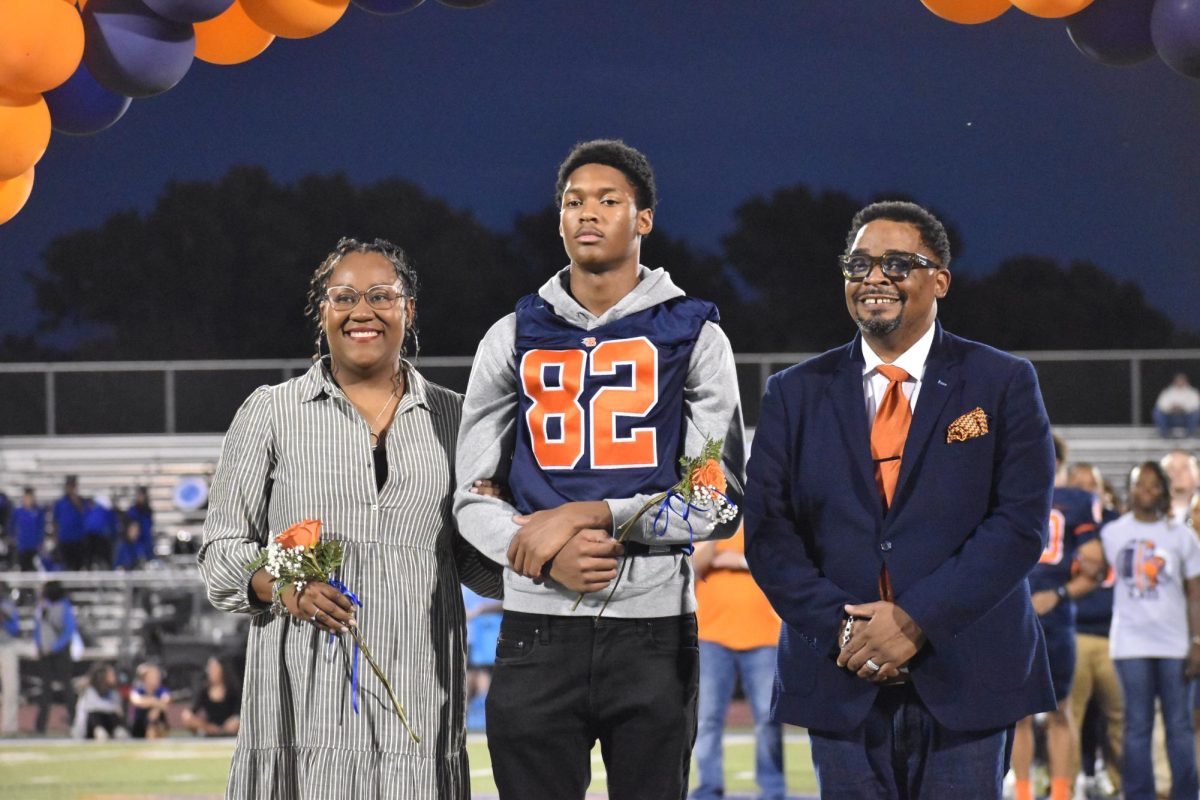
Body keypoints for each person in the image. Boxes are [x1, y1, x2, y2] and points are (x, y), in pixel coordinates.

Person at [454, 139, 745, 800]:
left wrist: (593, 516)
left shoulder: (694, 334)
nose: (588, 213)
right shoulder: (512, 334)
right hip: (536, 627)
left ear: (642, 218)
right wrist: (540, 555)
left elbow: (717, 498)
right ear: (558, 220)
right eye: (574, 202)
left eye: (608, 201)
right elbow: (470, 496)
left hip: (653, 627)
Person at [744, 200, 1057, 799]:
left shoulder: (1002, 380)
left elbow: (1018, 526)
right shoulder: (793, 392)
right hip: (842, 675)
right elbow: (770, 533)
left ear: (939, 279)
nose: (874, 278)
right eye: (858, 264)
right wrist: (846, 632)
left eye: (897, 263)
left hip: (967, 672)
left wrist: (915, 621)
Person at [198, 237, 502, 800]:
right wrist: (286, 584)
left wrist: (525, 539)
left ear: (408, 311)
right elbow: (221, 555)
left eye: (382, 296)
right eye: (344, 297)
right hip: (301, 701)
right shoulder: (271, 410)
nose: (363, 311)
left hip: (418, 697)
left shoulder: (457, 418)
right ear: (322, 314)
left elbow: (473, 565)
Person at [1011, 436, 1105, 800]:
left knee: (1049, 711)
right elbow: (1094, 566)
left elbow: (1095, 568)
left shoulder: (1074, 501)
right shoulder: (1024, 495)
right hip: (1029, 614)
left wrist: (1058, 593)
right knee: (1031, 713)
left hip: (1046, 615)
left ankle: (1048, 793)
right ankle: (1037, 793)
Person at [1102, 461, 1200, 800]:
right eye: (1139, 484)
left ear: (1164, 490)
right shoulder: (1112, 533)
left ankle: (1187, 794)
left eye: (1153, 485)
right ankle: (1138, 794)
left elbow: (1195, 594)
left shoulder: (1180, 534)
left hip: (1174, 644)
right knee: (1137, 727)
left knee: (1179, 727)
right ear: (1129, 489)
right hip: (1130, 643)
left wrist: (1197, 640)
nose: (1146, 491)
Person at [690, 527, 785, 800]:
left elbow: (776, 564)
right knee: (706, 718)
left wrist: (737, 560)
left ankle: (773, 791)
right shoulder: (709, 522)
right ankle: (708, 789)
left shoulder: (763, 518)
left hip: (765, 635)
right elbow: (695, 564)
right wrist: (719, 537)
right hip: (711, 635)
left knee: (769, 719)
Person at [1066, 462, 1123, 798]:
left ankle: (1124, 783)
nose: (1086, 490)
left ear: (1103, 490)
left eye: (1092, 484)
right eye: (1079, 484)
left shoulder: (1120, 525)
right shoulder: (1057, 520)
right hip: (1073, 632)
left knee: (1122, 719)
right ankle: (1067, 784)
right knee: (1069, 717)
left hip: (1117, 636)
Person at [33, 580, 77, 734]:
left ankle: (75, 722)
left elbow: (69, 631)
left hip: (60, 654)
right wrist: (39, 645)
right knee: (45, 690)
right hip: (45, 654)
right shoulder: (41, 607)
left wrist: (55, 647)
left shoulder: (64, 607)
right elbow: (37, 628)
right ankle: (40, 726)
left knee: (67, 688)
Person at [182, 656, 240, 737]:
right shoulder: (204, 690)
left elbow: (239, 711)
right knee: (187, 717)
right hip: (209, 729)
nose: (213, 672)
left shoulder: (231, 689)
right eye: (211, 669)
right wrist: (206, 726)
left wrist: (235, 720)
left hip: (230, 729)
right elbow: (191, 711)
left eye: (216, 669)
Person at [72, 662, 127, 740]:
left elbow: (118, 709)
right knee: (95, 714)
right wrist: (114, 708)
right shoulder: (89, 690)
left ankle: (117, 730)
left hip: (106, 723)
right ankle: (99, 731)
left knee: (113, 714)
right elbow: (95, 707)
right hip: (88, 727)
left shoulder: (112, 692)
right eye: (111, 675)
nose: (114, 677)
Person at [128, 662, 171, 739]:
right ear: (145, 678)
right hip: (139, 725)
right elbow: (137, 701)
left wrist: (156, 710)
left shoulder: (162, 690)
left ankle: (155, 736)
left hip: (156, 721)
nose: (156, 679)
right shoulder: (138, 690)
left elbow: (166, 701)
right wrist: (154, 701)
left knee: (155, 717)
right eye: (153, 677)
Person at [53, 477, 87, 571]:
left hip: (78, 540)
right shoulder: (60, 503)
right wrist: (55, 538)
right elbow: (55, 522)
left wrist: (76, 501)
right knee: (66, 567)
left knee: (78, 567)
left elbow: (85, 513)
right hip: (64, 540)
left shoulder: (81, 501)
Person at [1154, 374, 1200, 438]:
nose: (1180, 382)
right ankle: (1165, 435)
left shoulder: (1192, 392)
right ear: (1175, 382)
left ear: (1186, 381)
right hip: (1171, 418)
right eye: (1178, 381)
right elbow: (1161, 405)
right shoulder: (1167, 392)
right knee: (1157, 412)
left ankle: (1189, 435)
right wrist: (1171, 408)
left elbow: (1196, 405)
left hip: (1185, 418)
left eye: (1181, 381)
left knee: (1197, 413)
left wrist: (1183, 408)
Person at [0, 582, 19, 734]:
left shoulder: (8, 607)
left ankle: (9, 727)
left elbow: (15, 629)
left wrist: (4, 619)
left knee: (10, 688)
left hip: (6, 648)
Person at [1161, 449, 1199, 525]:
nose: (1178, 473)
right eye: (1171, 468)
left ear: (1198, 476)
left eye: (1184, 468)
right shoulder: (1147, 514)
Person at [11, 488, 45, 572]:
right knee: (23, 568)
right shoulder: (18, 511)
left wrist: (40, 542)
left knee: (35, 568)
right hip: (22, 546)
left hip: (35, 546)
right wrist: (13, 538)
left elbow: (41, 527)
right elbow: (11, 525)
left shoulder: (38, 511)